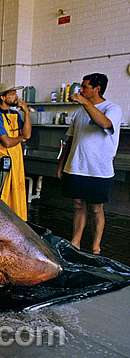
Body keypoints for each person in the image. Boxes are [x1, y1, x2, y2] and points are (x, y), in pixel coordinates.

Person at [56, 73, 122, 255]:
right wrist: (62, 163)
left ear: (97, 89)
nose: (81, 90)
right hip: (76, 166)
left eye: (85, 87)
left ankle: (95, 247)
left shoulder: (112, 108)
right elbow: (70, 140)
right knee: (77, 205)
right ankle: (75, 242)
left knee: (96, 208)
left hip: (98, 170)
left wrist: (85, 102)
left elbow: (105, 123)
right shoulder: (78, 113)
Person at [0, 81, 31, 221]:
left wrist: (26, 112)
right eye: (12, 94)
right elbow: (7, 142)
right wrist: (20, 138)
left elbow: (27, 135)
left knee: (15, 196)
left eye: (15, 93)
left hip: (15, 162)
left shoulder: (15, 115)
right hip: (0, 163)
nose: (16, 96)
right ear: (2, 98)